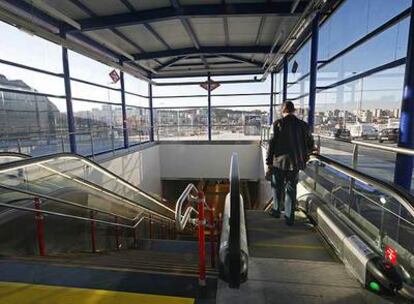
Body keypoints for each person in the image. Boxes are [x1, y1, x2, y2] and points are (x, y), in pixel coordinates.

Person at [265, 101, 315, 225]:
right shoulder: (303, 125)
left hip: (279, 162)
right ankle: (289, 218)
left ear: (283, 111)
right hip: (296, 163)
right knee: (291, 190)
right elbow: (310, 143)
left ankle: (276, 211)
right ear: (294, 111)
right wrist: (309, 151)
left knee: (277, 188)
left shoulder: (277, 124)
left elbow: (272, 144)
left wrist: (269, 162)